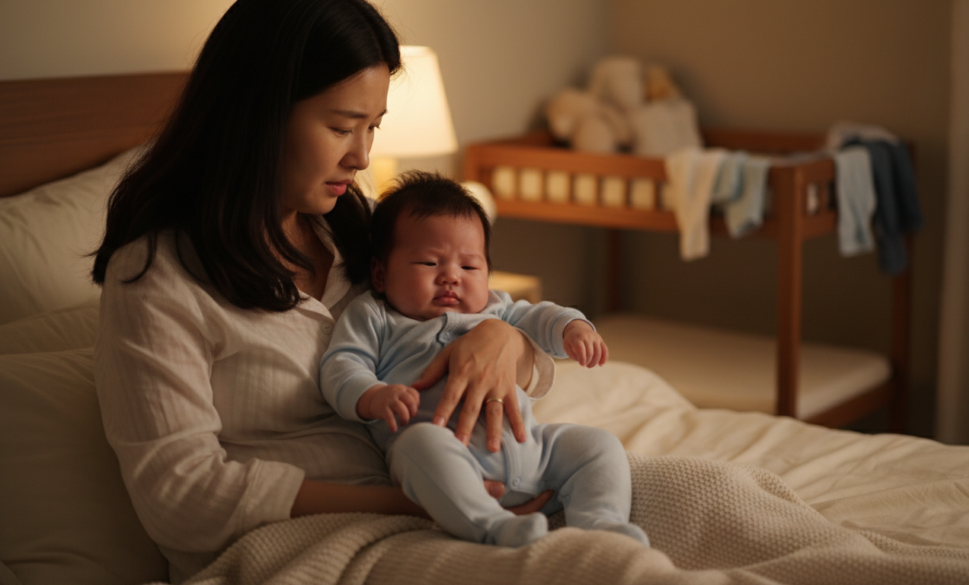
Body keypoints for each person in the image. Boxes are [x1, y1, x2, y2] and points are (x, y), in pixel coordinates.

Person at [90, 0, 553, 581]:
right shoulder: (160, 281)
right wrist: (421, 499)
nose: (361, 156)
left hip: (459, 490)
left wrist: (503, 338)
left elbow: (519, 354)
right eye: (340, 127)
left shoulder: (362, 236)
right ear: (257, 114)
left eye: (372, 128)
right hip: (306, 542)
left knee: (687, 491)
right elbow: (181, 499)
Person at [320, 172, 650, 548]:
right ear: (380, 274)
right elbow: (342, 364)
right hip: (448, 456)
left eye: (469, 267)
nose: (450, 277)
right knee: (417, 446)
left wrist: (573, 328)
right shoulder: (375, 317)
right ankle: (492, 525)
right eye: (429, 263)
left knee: (597, 445)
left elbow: (540, 316)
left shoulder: (496, 308)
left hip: (531, 452)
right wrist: (372, 395)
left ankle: (601, 525)